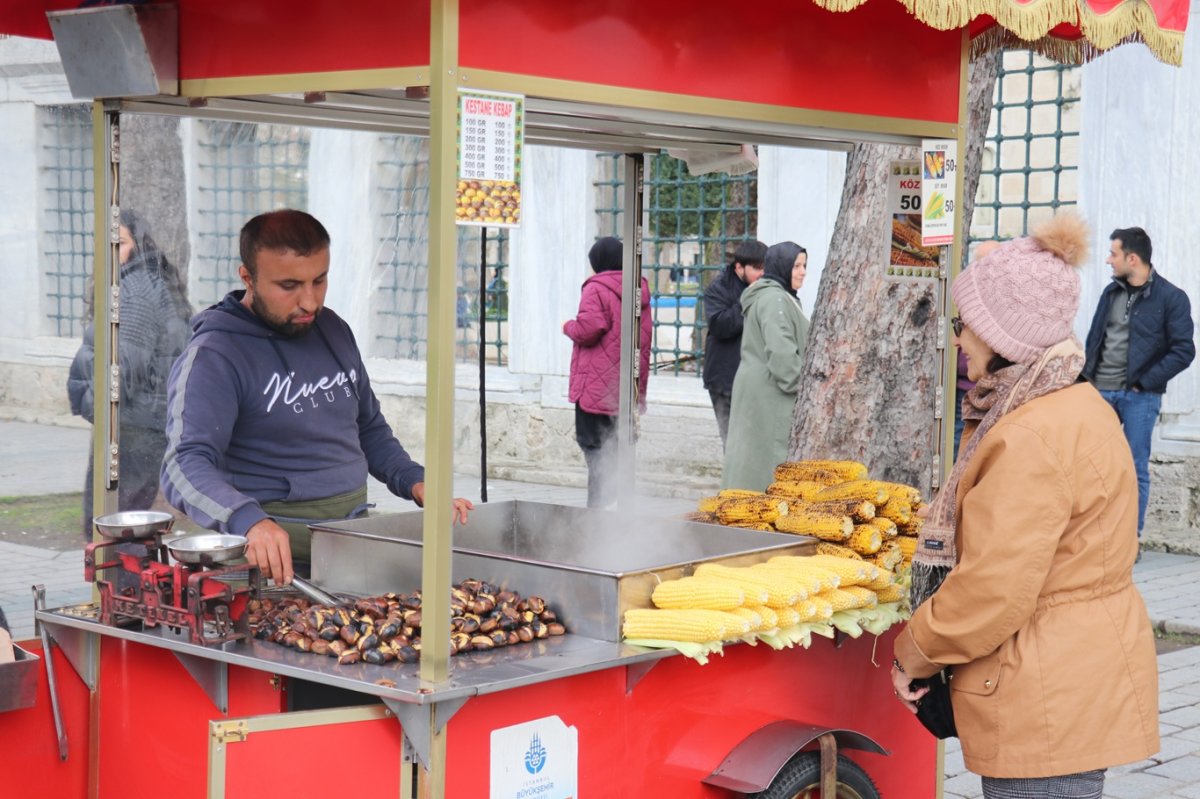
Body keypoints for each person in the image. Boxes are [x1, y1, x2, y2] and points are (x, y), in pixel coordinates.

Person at [892, 215, 1159, 799]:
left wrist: (914, 651)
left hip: (1046, 691)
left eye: (965, 324)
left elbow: (994, 586)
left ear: (1002, 335)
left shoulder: (1030, 434)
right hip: (1072, 672)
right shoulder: (1074, 403)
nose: (957, 339)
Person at [161, 209, 473, 585]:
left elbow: (368, 428)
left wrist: (414, 480)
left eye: (319, 281)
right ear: (248, 277)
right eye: (289, 286)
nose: (309, 302)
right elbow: (183, 465)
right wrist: (248, 520)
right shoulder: (215, 355)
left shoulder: (334, 330)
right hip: (267, 567)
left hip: (350, 545)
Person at [67, 210, 193, 541]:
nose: (110, 252)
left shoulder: (134, 290)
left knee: (113, 530)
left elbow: (121, 373)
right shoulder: (151, 280)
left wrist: (92, 402)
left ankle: (120, 591)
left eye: (119, 243)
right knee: (128, 527)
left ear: (136, 245)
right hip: (142, 425)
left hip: (130, 428)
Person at [1082, 226, 1194, 539]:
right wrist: (1085, 382)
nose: (1108, 260)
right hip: (1100, 393)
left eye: (1113, 254)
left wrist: (1144, 383)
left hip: (1139, 398)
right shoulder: (1110, 293)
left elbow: (1184, 350)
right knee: (1092, 464)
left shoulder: (1172, 298)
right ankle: (1094, 537)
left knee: (1133, 469)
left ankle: (1130, 539)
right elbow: (1095, 340)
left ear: (1132, 258)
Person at [562, 236, 652, 508]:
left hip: (596, 389)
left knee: (596, 452)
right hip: (625, 388)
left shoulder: (596, 287)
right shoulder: (639, 290)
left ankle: (597, 517)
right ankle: (621, 516)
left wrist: (568, 326)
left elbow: (589, 329)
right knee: (620, 452)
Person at [720, 242, 810, 491]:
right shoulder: (775, 299)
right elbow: (781, 353)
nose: (802, 272)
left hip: (759, 388)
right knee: (766, 463)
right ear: (781, 266)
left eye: (804, 265)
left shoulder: (777, 296)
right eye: (796, 265)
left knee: (749, 459)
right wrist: (803, 388)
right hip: (771, 393)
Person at [702, 240, 767, 449]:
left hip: (755, 379)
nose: (762, 274)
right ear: (739, 267)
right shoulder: (718, 289)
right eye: (757, 268)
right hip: (724, 380)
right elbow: (721, 325)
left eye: (765, 268)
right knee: (733, 443)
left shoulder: (767, 288)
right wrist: (748, 300)